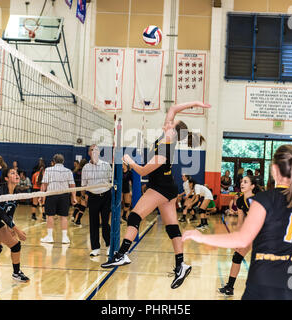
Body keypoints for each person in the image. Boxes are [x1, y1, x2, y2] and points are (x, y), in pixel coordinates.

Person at [101, 100, 210, 290]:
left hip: (160, 188)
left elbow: (143, 171)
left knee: (135, 216)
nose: (167, 122)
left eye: (170, 124)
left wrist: (128, 160)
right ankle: (181, 265)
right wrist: (196, 103)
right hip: (167, 188)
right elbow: (174, 108)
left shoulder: (166, 148)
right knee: (172, 228)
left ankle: (121, 255)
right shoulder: (165, 136)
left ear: (174, 132)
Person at [183, 144, 292, 300]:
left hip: (267, 273)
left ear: (274, 169)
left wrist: (202, 237)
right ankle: (230, 285)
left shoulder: (264, 199)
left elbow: (243, 238)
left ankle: (230, 286)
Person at [218, 175, 260, 296]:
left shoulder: (257, 200)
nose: (242, 184)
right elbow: (240, 222)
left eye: (246, 182)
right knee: (237, 257)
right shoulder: (241, 200)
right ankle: (230, 287)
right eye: (242, 182)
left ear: (252, 186)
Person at [81, 145, 112, 256]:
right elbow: (83, 185)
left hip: (106, 196)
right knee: (93, 222)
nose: (94, 152)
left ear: (99, 152)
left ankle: (109, 246)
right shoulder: (86, 168)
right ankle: (95, 248)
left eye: (96, 150)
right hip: (93, 196)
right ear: (89, 152)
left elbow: (111, 181)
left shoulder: (106, 165)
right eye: (92, 150)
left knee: (105, 222)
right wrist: (83, 198)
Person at [40, 154, 77, 244]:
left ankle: (49, 237)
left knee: (50, 216)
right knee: (64, 217)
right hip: (64, 196)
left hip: (51, 195)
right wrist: (74, 197)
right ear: (63, 161)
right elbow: (72, 185)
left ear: (53, 161)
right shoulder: (68, 171)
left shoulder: (48, 170)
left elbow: (44, 184)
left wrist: (41, 196)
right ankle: (64, 238)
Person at [72, 159, 88, 227]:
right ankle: (78, 221)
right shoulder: (86, 172)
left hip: (77, 189)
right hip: (83, 190)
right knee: (83, 206)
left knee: (78, 205)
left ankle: (73, 216)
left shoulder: (76, 171)